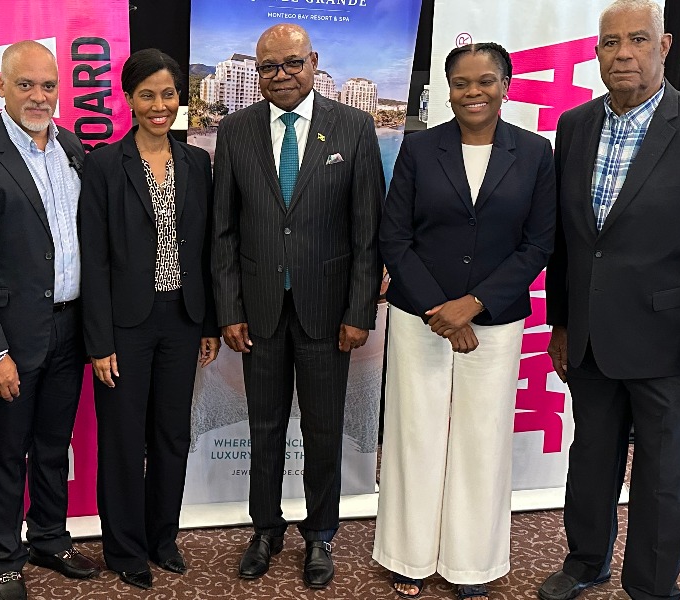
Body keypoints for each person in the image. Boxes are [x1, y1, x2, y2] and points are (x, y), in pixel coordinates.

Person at [538, 2, 680, 599]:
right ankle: (586, 562)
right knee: (590, 463)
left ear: (664, 46)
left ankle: (652, 587)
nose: (623, 54)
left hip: (673, 347)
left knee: (664, 480)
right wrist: (562, 324)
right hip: (590, 341)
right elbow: (568, 241)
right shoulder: (574, 126)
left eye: (637, 40)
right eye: (611, 43)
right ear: (597, 53)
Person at [374, 42, 556, 600]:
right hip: (419, 316)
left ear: (506, 85)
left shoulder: (535, 152)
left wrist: (473, 305)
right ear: (447, 90)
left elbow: (538, 243)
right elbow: (394, 237)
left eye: (485, 81)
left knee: (482, 438)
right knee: (415, 434)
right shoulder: (419, 148)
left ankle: (471, 564)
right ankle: (407, 557)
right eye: (461, 83)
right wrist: (442, 311)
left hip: (494, 321)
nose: (473, 92)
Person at [211, 23, 384, 589]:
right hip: (258, 311)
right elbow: (224, 231)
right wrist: (229, 309)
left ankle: (320, 534)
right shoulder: (235, 130)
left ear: (313, 62)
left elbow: (367, 233)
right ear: (257, 72)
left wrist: (359, 312)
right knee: (264, 428)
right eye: (268, 67)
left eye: (291, 63)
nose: (280, 75)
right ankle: (265, 529)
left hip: (328, 315)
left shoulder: (354, 127)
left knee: (323, 430)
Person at [0, 41, 99, 600]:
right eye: (26, 84)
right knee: (10, 451)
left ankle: (50, 539)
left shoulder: (74, 149)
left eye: (48, 85)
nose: (39, 96)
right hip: (11, 339)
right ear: (1, 88)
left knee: (55, 444)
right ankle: (6, 559)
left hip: (71, 328)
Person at [79, 48, 221, 590]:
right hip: (125, 327)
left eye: (167, 94)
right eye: (147, 95)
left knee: (171, 435)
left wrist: (208, 324)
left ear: (179, 97)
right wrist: (99, 341)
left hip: (182, 319)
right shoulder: (103, 166)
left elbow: (207, 251)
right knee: (122, 439)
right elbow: (94, 259)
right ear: (128, 100)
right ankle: (124, 549)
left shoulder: (197, 164)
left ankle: (163, 538)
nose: (159, 106)